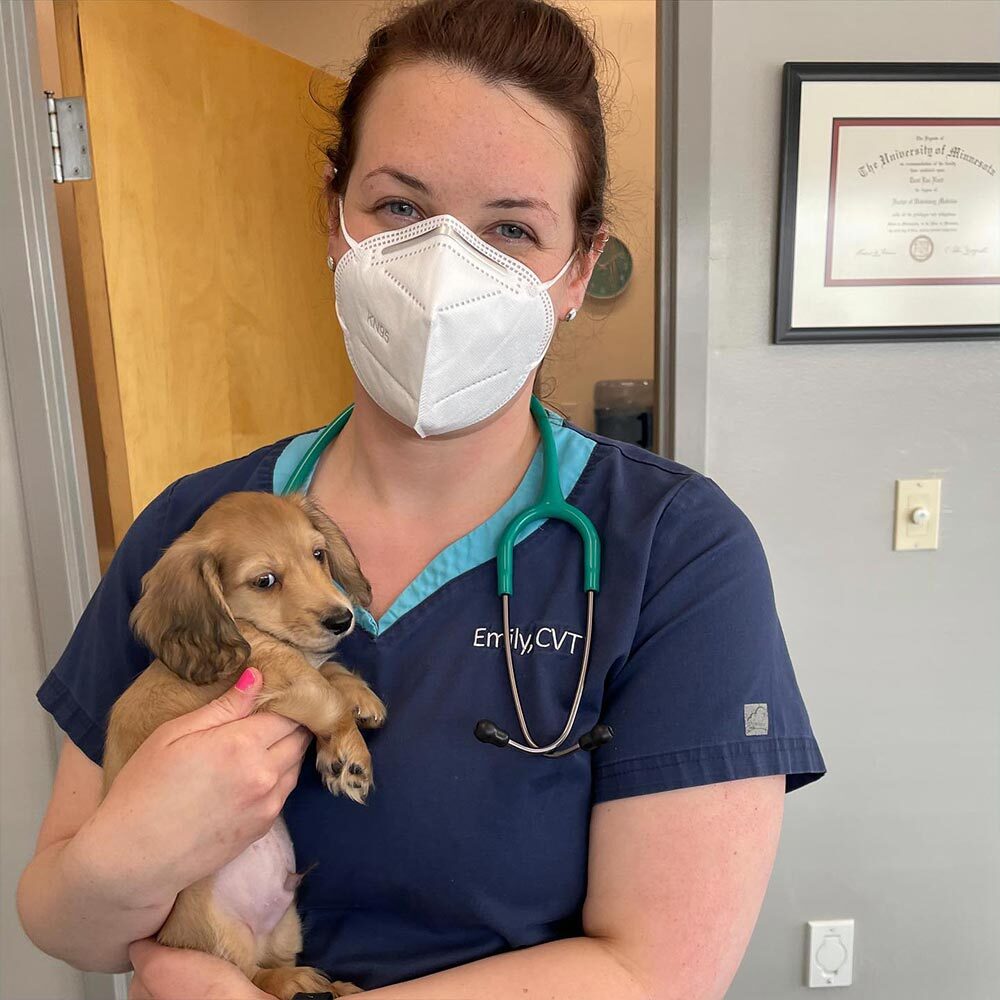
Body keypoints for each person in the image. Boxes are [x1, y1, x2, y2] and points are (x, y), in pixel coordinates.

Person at [17, 1, 827, 997]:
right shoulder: (197, 530)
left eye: (511, 228)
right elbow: (63, 915)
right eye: (399, 209)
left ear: (575, 270)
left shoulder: (675, 550)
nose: (445, 273)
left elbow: (657, 970)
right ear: (333, 217)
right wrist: (132, 849)